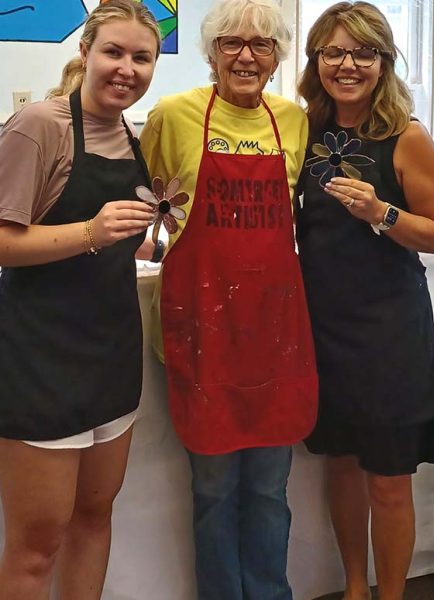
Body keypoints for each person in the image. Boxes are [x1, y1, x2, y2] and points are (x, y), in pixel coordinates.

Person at [0, 2, 161, 598]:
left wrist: (144, 240)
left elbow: (117, 243)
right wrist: (90, 233)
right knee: (36, 544)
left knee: (95, 519)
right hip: (39, 356)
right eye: (113, 52)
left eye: (141, 57)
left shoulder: (136, 136)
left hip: (110, 352)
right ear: (84, 54)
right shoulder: (37, 125)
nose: (126, 68)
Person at [138, 0, 316, 598]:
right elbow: (155, 206)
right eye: (231, 44)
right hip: (201, 331)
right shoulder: (171, 115)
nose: (246, 55)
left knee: (269, 491)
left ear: (276, 57)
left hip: (273, 335)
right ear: (211, 53)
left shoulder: (294, 120)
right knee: (212, 491)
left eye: (261, 45)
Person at [295, 3, 434, 600]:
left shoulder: (405, 137)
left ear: (384, 62)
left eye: (363, 52)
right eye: (333, 52)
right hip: (323, 326)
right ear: (316, 61)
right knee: (339, 465)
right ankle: (354, 588)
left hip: (388, 333)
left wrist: (380, 213)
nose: (347, 65)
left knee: (388, 481)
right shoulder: (302, 131)